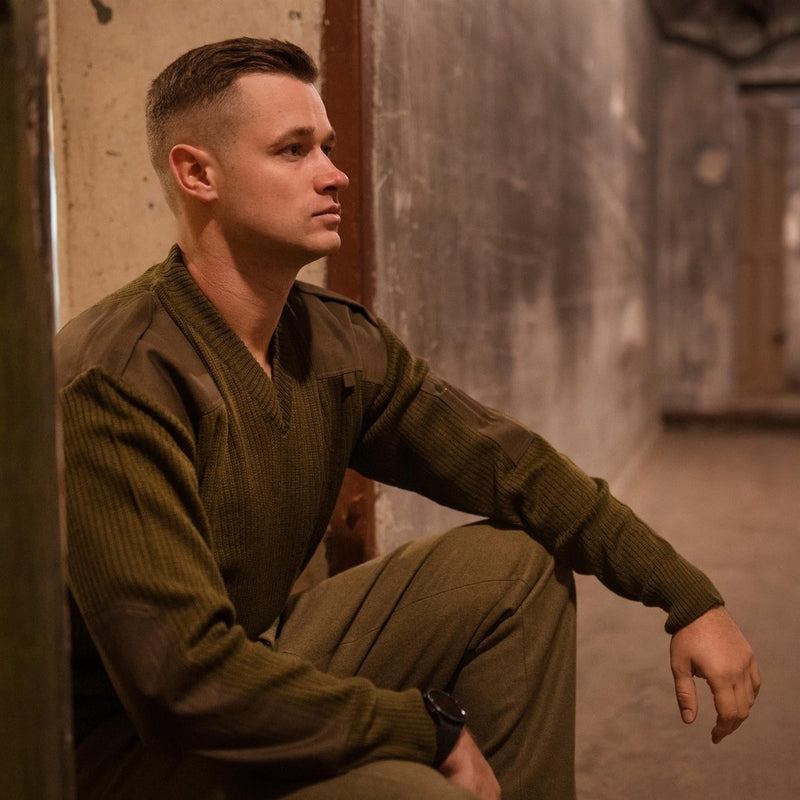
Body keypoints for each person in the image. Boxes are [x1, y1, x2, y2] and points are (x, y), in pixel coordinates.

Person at [57, 37, 760, 800]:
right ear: (198, 174)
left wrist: (688, 596)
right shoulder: (118, 376)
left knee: (512, 568)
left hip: (247, 662)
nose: (333, 173)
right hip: (122, 753)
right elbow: (178, 682)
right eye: (293, 150)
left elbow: (510, 466)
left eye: (327, 146)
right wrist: (426, 729)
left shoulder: (332, 341)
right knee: (407, 784)